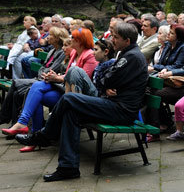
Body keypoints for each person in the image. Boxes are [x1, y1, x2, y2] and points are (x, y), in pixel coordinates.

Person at [16, 22, 148, 182]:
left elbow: (106, 80)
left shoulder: (132, 56)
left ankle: (45, 135)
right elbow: (103, 80)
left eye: (116, 37)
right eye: (113, 36)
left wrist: (108, 83)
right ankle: (68, 168)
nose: (113, 40)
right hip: (113, 104)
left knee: (69, 98)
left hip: (121, 111)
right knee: (71, 113)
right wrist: (108, 82)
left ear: (127, 41)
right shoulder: (127, 54)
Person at [2, 28, 97, 138]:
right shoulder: (75, 53)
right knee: (36, 92)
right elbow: (66, 74)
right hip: (64, 89)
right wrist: (54, 76)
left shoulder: (89, 55)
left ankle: (29, 131)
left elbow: (82, 79)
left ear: (80, 41)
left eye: (73, 38)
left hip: (77, 94)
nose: (70, 39)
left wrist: (57, 78)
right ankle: (32, 132)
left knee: (35, 90)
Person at [0, 27, 69, 129]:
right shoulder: (52, 51)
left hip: (47, 81)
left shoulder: (61, 52)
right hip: (41, 78)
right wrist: (43, 72)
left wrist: (43, 72)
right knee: (17, 93)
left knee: (15, 82)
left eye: (50, 35)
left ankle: (3, 117)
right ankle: (14, 124)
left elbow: (52, 69)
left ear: (57, 38)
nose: (47, 37)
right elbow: (43, 68)